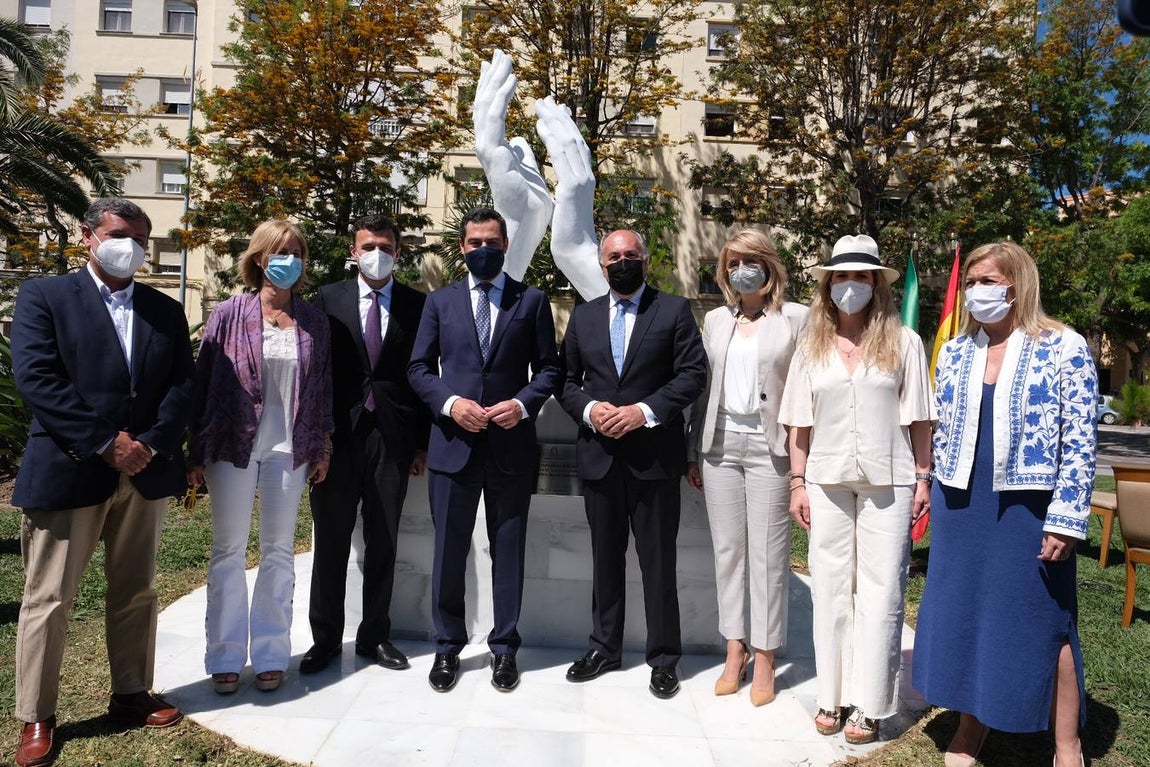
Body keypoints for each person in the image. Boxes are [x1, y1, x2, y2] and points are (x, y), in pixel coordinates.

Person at [11, 197, 194, 767]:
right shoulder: (44, 297)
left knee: (136, 588)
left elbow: (182, 386)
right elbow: (37, 378)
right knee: (50, 598)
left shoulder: (165, 310)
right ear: (87, 235)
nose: (131, 246)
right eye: (120, 234)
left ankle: (131, 692)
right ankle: (37, 716)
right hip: (70, 470)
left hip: (143, 473)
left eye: (141, 238)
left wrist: (150, 444)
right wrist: (106, 442)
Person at [912, 242, 1096, 767]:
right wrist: (927, 484)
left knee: (1044, 620)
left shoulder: (1064, 345)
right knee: (971, 614)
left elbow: (1081, 441)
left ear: (1016, 285)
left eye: (986, 280)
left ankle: (1067, 744)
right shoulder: (955, 350)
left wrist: (1066, 517)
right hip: (962, 504)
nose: (975, 292)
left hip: (1029, 509)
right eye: (969, 281)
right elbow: (942, 427)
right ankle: (974, 724)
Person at [778, 234, 933, 744]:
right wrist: (797, 482)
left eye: (861, 277)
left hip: (888, 479)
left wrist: (922, 478)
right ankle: (832, 696)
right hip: (825, 479)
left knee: (882, 588)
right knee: (829, 588)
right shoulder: (811, 346)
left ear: (877, 284)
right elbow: (798, 422)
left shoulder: (904, 342)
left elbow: (920, 421)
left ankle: (871, 703)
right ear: (828, 285)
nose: (851, 285)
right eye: (841, 277)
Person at [407, 208, 561, 693]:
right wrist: (451, 406)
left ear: (506, 243)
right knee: (450, 550)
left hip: (511, 447)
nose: (483, 250)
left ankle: (504, 648)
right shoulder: (440, 303)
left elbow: (550, 371)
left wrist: (522, 403)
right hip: (452, 446)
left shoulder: (532, 301)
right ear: (461, 247)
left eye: (491, 241)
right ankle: (447, 646)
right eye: (474, 242)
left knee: (509, 549)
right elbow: (418, 370)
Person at [558, 229, 708, 700]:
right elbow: (565, 380)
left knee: (658, 564)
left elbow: (693, 374)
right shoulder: (582, 317)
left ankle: (664, 658)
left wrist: (642, 412)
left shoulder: (674, 310)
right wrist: (589, 409)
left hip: (654, 462)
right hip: (600, 459)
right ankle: (604, 647)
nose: (622, 262)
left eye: (630, 255)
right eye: (614, 257)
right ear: (603, 267)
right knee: (604, 561)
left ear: (645, 259)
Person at [187, 219, 332, 695]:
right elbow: (204, 380)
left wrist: (322, 443)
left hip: (290, 451)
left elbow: (322, 387)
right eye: (278, 251)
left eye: (296, 251)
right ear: (258, 258)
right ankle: (225, 657)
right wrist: (195, 450)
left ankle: (271, 652)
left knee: (279, 551)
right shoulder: (228, 312)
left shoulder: (313, 320)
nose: (288, 259)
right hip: (232, 445)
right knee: (228, 550)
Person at [301, 214, 428, 675]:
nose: (378, 253)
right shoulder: (327, 299)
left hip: (393, 438)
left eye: (387, 246)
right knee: (331, 541)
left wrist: (420, 444)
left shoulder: (418, 304)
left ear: (398, 251)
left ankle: (375, 635)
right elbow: (315, 373)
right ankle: (325, 640)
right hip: (337, 438)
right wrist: (317, 438)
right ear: (353, 251)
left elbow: (424, 377)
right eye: (369, 245)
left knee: (384, 541)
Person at [686, 230, 808, 705]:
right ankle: (733, 648)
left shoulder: (796, 318)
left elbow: (804, 388)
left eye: (751, 260)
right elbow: (701, 388)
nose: (742, 269)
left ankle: (765, 654)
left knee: (769, 555)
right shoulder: (715, 320)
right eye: (733, 262)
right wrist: (692, 450)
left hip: (770, 449)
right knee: (729, 552)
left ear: (769, 265)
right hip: (719, 447)